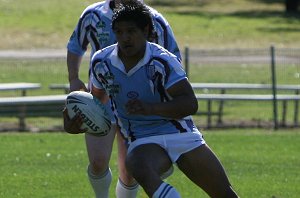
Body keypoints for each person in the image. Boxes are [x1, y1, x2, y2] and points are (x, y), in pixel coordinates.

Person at [90, 0, 239, 197]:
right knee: (136, 164)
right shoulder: (102, 62)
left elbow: (190, 103)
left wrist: (150, 108)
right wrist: (78, 120)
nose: (125, 38)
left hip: (182, 135)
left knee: (224, 194)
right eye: (119, 32)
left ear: (146, 30)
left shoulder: (162, 60)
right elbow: (97, 103)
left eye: (131, 31)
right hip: (142, 139)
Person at [64, 0, 181, 197]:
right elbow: (76, 46)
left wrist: (162, 103)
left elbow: (174, 62)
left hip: (138, 105)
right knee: (98, 162)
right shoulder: (93, 14)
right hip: (101, 99)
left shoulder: (154, 21)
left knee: (130, 172)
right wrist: (74, 78)